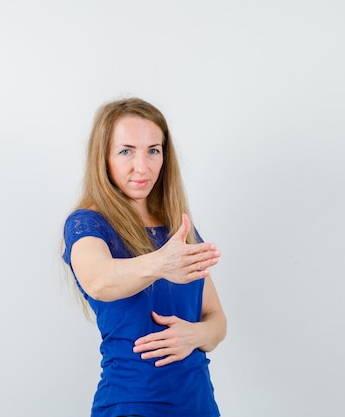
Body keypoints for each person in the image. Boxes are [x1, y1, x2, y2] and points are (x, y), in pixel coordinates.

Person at [62, 97, 226, 417]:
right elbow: (98, 280)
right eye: (126, 151)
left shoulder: (178, 228)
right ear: (104, 157)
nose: (143, 166)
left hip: (199, 404)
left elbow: (217, 320)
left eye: (153, 150)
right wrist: (162, 263)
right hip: (132, 404)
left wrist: (195, 334)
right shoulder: (88, 224)